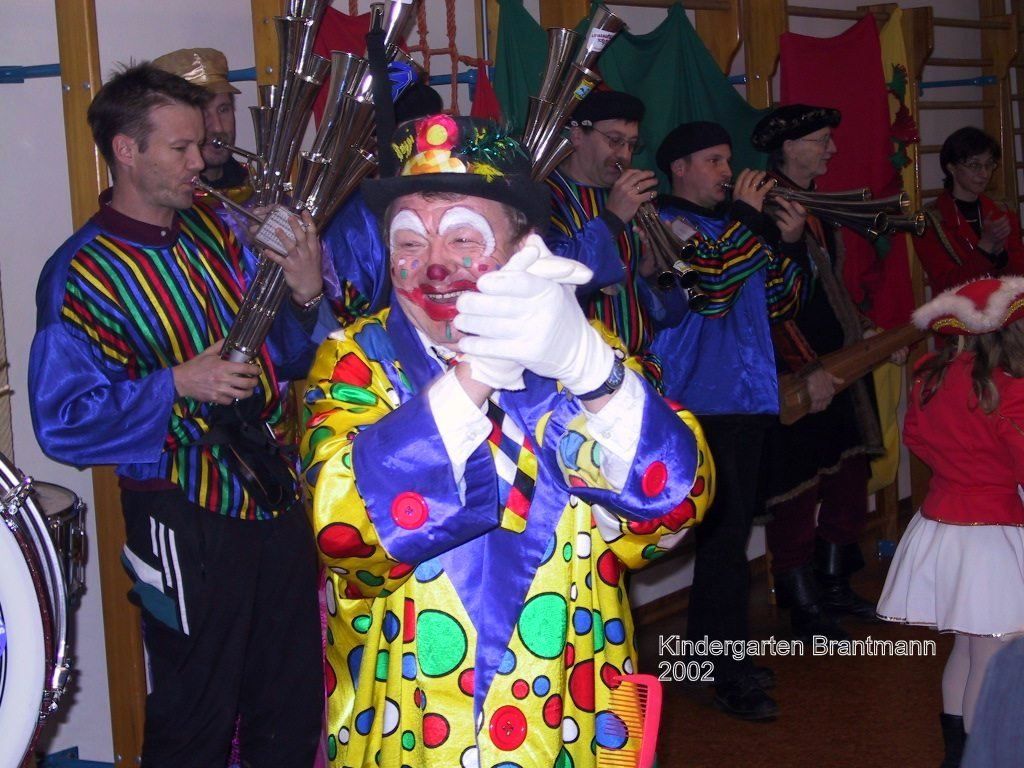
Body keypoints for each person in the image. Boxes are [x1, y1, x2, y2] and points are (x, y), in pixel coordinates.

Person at [299, 114, 714, 767]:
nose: (435, 265)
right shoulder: (355, 362)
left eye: (463, 237)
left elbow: (669, 515)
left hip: (571, 718)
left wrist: (590, 371)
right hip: (409, 732)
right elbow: (345, 533)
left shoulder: (584, 356)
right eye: (409, 242)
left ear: (524, 250)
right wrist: (473, 379)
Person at [28, 64, 327, 766]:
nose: (201, 161)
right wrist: (174, 385)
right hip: (180, 510)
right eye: (181, 148)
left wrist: (306, 293)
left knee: (289, 701)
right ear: (126, 150)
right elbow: (62, 421)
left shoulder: (214, 235)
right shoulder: (81, 272)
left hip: (272, 493)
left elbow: (286, 357)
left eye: (201, 145)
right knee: (195, 711)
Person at [650, 120, 806, 721]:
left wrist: (788, 244)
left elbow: (781, 303)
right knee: (721, 541)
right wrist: (747, 220)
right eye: (713, 160)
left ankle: (708, 660)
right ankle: (725, 673)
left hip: (746, 399)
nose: (726, 171)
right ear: (679, 168)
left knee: (729, 537)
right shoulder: (664, 225)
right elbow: (709, 289)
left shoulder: (736, 228)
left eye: (727, 159)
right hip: (698, 400)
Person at [750, 104, 887, 641]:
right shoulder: (765, 211)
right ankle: (800, 600)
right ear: (789, 148)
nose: (832, 149)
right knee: (797, 485)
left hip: (839, 358)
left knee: (848, 472)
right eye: (821, 140)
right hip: (795, 365)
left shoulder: (818, 206)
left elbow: (828, 285)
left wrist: (863, 328)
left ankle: (833, 582)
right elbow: (769, 304)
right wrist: (805, 368)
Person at [877, 276, 1024, 768]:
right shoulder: (1009, 387)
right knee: (994, 656)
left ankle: (958, 756)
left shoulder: (931, 377)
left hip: (941, 524)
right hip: (990, 535)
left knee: (966, 647)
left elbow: (917, 438)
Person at [545, 89, 667, 385]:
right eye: (614, 140)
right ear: (577, 136)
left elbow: (670, 315)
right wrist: (611, 220)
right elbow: (553, 278)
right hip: (573, 378)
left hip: (639, 370)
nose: (624, 155)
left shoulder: (634, 199)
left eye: (631, 145)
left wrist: (651, 276)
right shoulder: (545, 196)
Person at [916, 126, 1024, 294]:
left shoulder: (1003, 210)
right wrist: (986, 246)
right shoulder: (927, 221)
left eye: (989, 165)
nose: (985, 174)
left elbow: (1019, 276)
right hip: (956, 309)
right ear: (951, 167)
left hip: (1005, 304)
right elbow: (947, 285)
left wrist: (1001, 253)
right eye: (974, 165)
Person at [152, 47, 253, 205]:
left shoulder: (251, 183)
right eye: (202, 112)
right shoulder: (163, 202)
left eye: (223, 110)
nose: (218, 128)